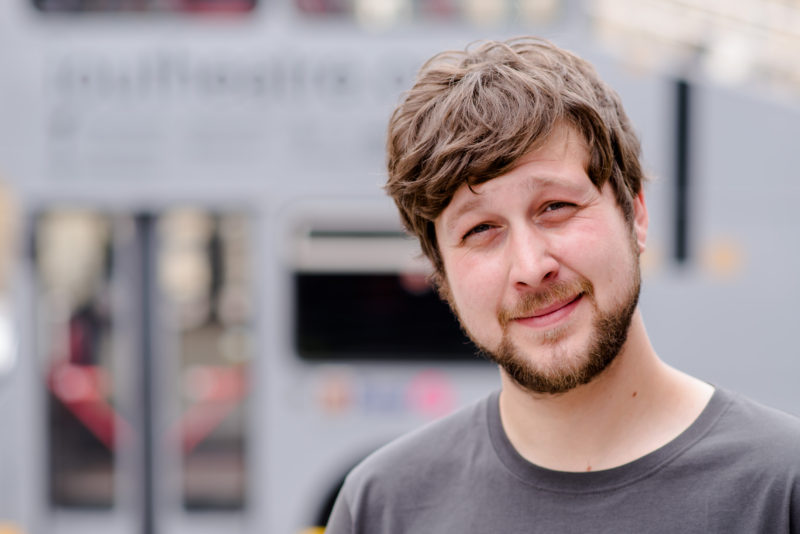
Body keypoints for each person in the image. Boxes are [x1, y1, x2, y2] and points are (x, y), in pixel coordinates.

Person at [325, 36, 800, 533]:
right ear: (441, 272)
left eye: (556, 208)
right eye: (481, 230)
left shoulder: (780, 488)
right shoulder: (383, 507)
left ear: (634, 213)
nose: (530, 266)